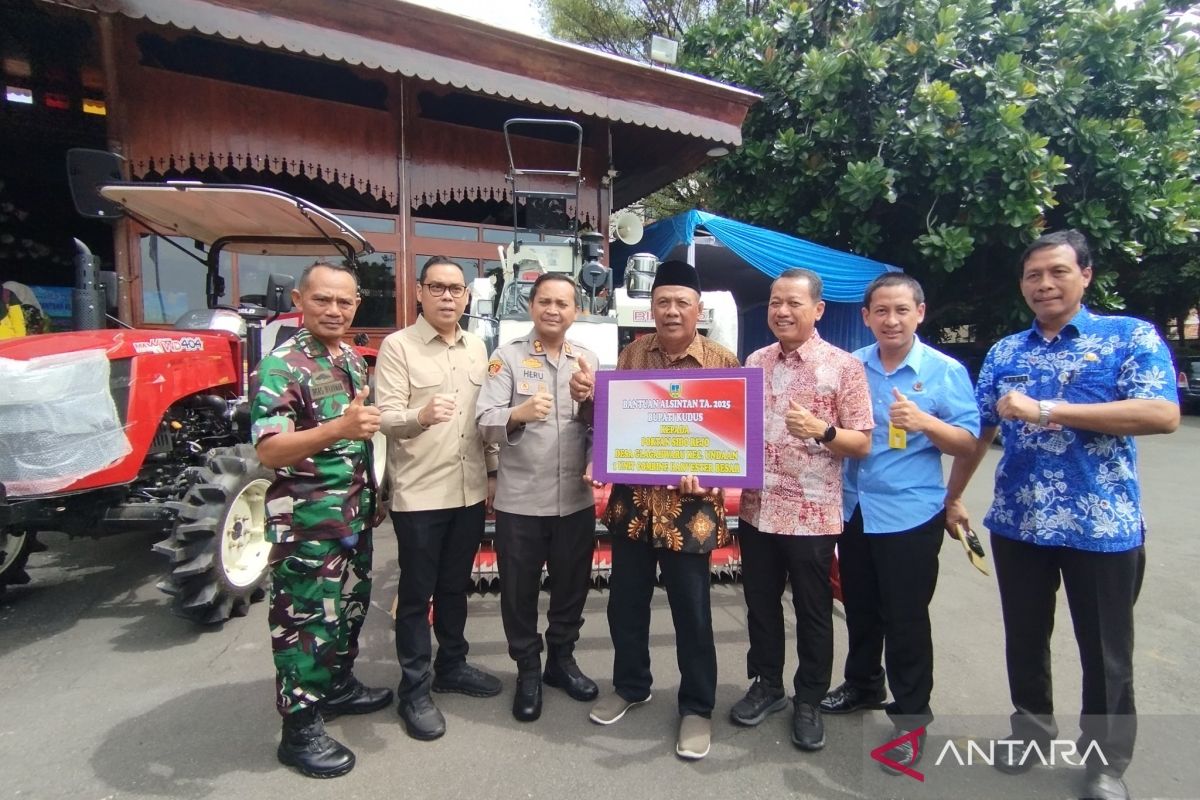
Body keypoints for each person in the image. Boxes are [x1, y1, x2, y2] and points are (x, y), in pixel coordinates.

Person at [945, 230, 1179, 800]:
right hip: (1019, 523)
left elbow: (1162, 413)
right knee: (1025, 638)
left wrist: (1047, 409)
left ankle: (1106, 763)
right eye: (1033, 275)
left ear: (1086, 275)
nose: (1044, 284)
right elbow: (980, 433)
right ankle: (1030, 733)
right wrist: (953, 497)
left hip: (1101, 527)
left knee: (1106, 652)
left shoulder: (1128, 337)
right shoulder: (1005, 352)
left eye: (1057, 272)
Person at [571, 260, 738, 761]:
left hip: (691, 511)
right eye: (663, 302)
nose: (671, 311)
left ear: (698, 309)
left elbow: (735, 441)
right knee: (625, 605)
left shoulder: (722, 363)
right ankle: (631, 685)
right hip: (635, 507)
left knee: (693, 614)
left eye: (681, 303)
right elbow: (611, 424)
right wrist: (588, 400)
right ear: (651, 307)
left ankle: (697, 706)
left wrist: (711, 474)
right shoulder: (632, 354)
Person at [820, 273, 979, 774]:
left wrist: (926, 423)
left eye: (901, 310)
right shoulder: (850, 365)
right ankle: (864, 684)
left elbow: (968, 442)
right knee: (860, 607)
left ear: (920, 313)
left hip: (910, 514)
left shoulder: (943, 371)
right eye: (881, 311)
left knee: (906, 620)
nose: (891, 320)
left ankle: (911, 720)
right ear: (866, 316)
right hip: (854, 510)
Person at [251, 261, 393, 779]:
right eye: (322, 299)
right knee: (305, 622)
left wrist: (374, 493)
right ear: (299, 300)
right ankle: (300, 727)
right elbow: (269, 450)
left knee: (347, 610)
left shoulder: (349, 357)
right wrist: (338, 428)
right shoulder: (282, 365)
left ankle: (336, 686)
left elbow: (360, 437)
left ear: (357, 305)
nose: (334, 310)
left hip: (351, 514)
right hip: (307, 523)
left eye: (344, 301)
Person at [731, 268, 873, 752]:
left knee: (813, 611)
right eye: (776, 302)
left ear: (818, 310)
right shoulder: (756, 360)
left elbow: (862, 443)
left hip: (812, 513)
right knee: (760, 604)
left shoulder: (843, 367)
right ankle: (767, 684)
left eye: (794, 302)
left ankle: (809, 699)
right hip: (757, 509)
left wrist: (823, 431)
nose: (782, 311)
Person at [376, 255, 501, 741]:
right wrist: (420, 416)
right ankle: (414, 690)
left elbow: (484, 417)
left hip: (468, 491)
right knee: (415, 596)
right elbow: (385, 417)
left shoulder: (477, 347)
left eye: (456, 289)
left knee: (454, 587)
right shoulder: (398, 347)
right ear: (419, 292)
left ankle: (452, 664)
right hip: (421, 493)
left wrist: (492, 472)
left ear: (467, 296)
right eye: (437, 288)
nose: (448, 297)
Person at [476, 273, 601, 722]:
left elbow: (598, 424)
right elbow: (484, 421)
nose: (553, 310)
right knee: (518, 592)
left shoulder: (586, 359)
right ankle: (527, 669)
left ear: (576, 311)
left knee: (572, 588)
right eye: (545, 301)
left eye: (562, 303)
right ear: (530, 306)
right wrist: (519, 413)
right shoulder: (506, 357)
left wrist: (591, 406)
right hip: (521, 502)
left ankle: (561, 661)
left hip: (575, 500)